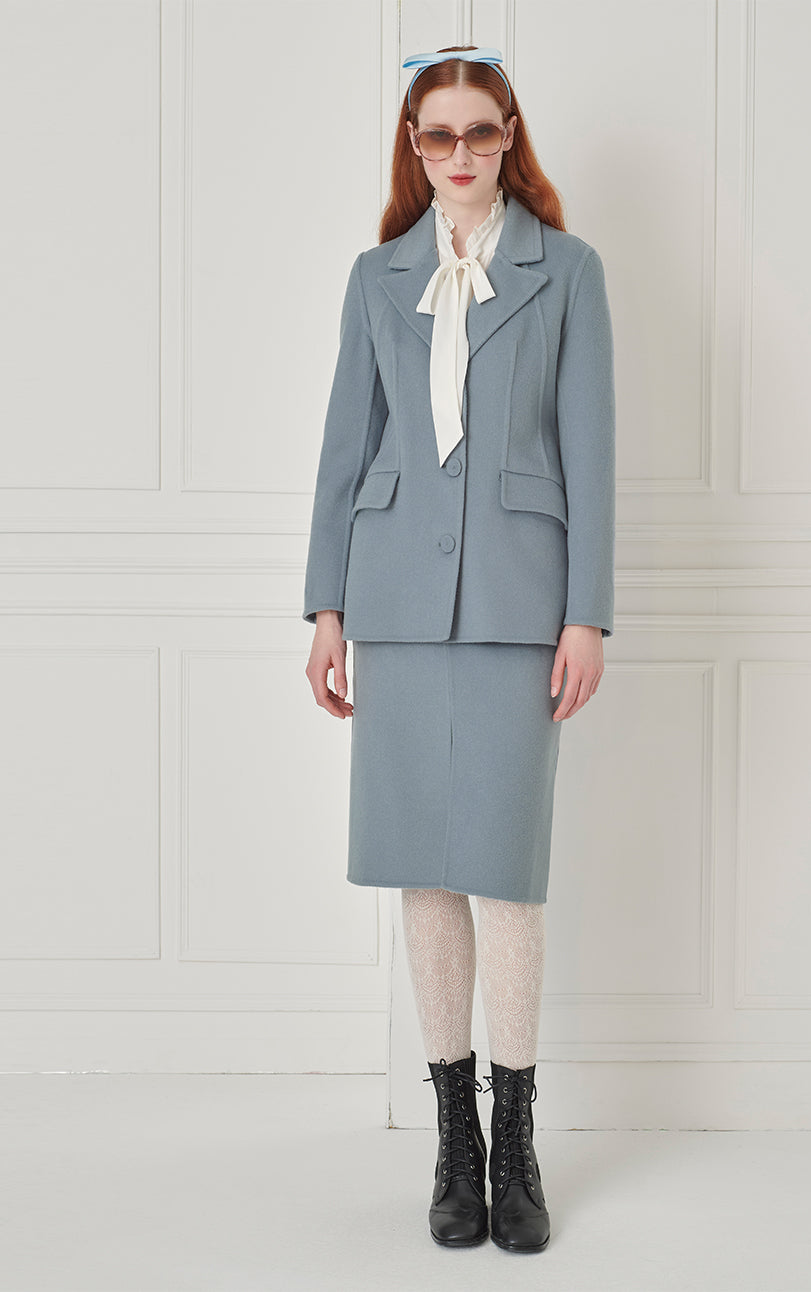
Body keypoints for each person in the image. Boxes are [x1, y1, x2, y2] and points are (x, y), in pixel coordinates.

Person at [303, 45, 615, 1254]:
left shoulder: (567, 271)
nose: (460, 153)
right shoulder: (375, 276)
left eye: (479, 131)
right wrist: (325, 608)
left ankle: (517, 1135)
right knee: (423, 870)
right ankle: (454, 1139)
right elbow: (346, 447)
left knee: (504, 870)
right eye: (437, 134)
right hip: (390, 600)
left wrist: (585, 611)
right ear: (414, 146)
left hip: (518, 602)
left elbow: (588, 449)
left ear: (508, 135)